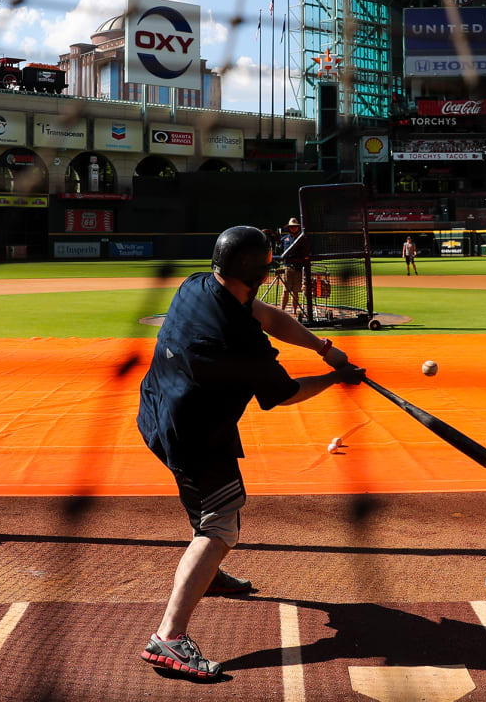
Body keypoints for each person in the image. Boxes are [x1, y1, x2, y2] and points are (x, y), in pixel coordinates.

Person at [137, 226, 363, 680]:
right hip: (198, 436)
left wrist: (325, 349)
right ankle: (169, 638)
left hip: (156, 412)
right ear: (253, 270)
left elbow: (270, 316)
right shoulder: (240, 340)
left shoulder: (198, 284)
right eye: (266, 263)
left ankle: (208, 576)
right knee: (220, 525)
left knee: (203, 506)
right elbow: (284, 393)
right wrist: (338, 380)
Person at [278, 216, 304, 315]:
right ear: (289, 227)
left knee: (296, 291)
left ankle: (294, 311)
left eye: (295, 226)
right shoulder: (284, 239)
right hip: (287, 268)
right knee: (285, 291)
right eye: (291, 226)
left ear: (298, 227)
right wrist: (277, 242)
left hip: (298, 268)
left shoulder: (301, 238)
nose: (293, 228)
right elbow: (279, 251)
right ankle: (282, 311)